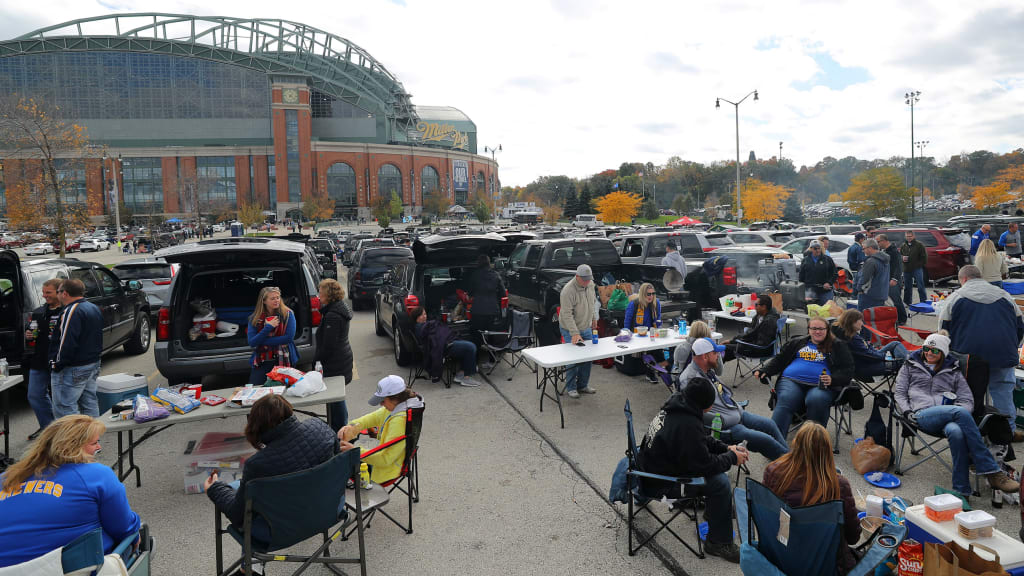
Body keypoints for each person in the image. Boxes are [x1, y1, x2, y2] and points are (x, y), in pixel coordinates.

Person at [0, 415, 141, 567]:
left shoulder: (6, 477)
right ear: (72, 447)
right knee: (139, 539)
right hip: (71, 569)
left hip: (8, 569)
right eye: (94, 443)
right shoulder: (96, 475)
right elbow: (125, 528)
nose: (99, 447)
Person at [635, 377, 747, 563]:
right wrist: (733, 458)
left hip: (654, 466)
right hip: (661, 483)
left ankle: (716, 513)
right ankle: (718, 542)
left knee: (716, 478)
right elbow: (705, 465)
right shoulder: (687, 423)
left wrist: (726, 448)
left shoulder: (678, 405)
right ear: (705, 405)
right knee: (719, 483)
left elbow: (700, 439)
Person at [894, 333, 1020, 497]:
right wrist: (907, 411)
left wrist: (957, 412)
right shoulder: (910, 365)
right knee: (958, 412)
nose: (929, 353)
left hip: (950, 417)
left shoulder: (953, 371)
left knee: (956, 431)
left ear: (943, 353)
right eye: (926, 348)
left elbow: (967, 400)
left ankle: (962, 490)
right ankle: (990, 469)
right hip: (920, 415)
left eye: (935, 350)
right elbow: (900, 393)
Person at [206, 395, 339, 531]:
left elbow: (237, 514)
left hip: (281, 530)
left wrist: (214, 488)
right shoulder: (321, 427)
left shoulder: (257, 464)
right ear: (289, 410)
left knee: (233, 488)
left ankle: (249, 553)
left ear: (256, 426)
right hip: (330, 509)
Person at [939, 265, 1024, 441]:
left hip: (969, 358)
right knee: (1003, 393)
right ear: (980, 277)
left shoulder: (955, 297)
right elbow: (1020, 325)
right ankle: (1007, 432)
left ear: (963, 279)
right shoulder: (1005, 296)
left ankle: (971, 432)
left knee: (968, 396)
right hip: (1003, 354)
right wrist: (1011, 346)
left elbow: (942, 332)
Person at [763, 422, 860, 574]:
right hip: (824, 564)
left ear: (796, 445)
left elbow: (766, 516)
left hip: (782, 553)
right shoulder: (838, 485)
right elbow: (853, 537)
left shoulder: (773, 471)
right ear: (828, 451)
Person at [680, 338, 788, 460]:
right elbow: (695, 413)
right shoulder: (690, 380)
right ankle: (795, 467)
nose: (718, 356)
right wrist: (723, 420)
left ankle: (794, 462)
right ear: (705, 357)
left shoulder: (706, 370)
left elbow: (719, 373)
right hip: (725, 428)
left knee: (770, 425)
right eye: (715, 353)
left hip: (735, 412)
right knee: (766, 440)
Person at [755, 316, 854, 436]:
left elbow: (848, 369)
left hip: (821, 385)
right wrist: (765, 369)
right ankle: (774, 442)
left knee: (817, 399)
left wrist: (833, 379)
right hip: (791, 381)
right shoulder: (797, 342)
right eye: (814, 328)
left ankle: (812, 443)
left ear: (827, 330)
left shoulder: (838, 346)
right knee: (786, 398)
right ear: (809, 330)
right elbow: (780, 359)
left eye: (821, 329)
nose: (817, 331)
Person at [337, 375, 424, 485]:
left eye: (383, 401)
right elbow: (372, 418)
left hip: (386, 469)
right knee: (347, 449)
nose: (381, 404)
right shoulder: (400, 405)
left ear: (395, 398)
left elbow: (385, 459)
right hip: (391, 457)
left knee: (340, 465)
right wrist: (351, 427)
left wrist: (355, 452)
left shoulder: (399, 421)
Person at [49, 279, 103, 418]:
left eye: (58, 292)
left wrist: (57, 363)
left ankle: (72, 439)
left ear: (65, 293)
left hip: (74, 367)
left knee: (64, 406)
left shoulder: (71, 310)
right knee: (89, 403)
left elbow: (67, 340)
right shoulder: (92, 307)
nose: (57, 295)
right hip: (92, 363)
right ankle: (93, 438)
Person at [24, 278, 62, 438]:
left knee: (63, 401)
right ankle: (48, 429)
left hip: (61, 362)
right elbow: (32, 335)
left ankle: (67, 433)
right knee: (34, 395)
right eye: (43, 293)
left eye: (49, 292)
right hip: (39, 361)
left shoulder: (67, 311)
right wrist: (28, 335)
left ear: (60, 292)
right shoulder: (39, 312)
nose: (45, 296)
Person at [315, 279, 353, 432]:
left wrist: (317, 360)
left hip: (335, 363)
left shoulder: (333, 315)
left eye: (321, 293)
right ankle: (340, 428)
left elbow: (328, 346)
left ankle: (341, 431)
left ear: (328, 295)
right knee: (337, 398)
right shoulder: (339, 309)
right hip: (341, 359)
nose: (318, 296)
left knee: (336, 399)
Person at [411, 306, 481, 387]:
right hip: (443, 347)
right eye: (422, 315)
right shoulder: (421, 327)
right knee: (470, 347)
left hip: (444, 343)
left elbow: (438, 334)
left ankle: (461, 374)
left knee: (466, 344)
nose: (425, 316)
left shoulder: (424, 325)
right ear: (417, 317)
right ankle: (466, 377)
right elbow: (434, 339)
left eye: (425, 314)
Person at [558, 264, 599, 398]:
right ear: (577, 277)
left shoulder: (590, 284)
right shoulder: (568, 291)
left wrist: (594, 318)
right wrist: (574, 333)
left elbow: (593, 302)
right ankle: (571, 387)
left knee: (587, 357)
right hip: (569, 327)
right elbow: (566, 314)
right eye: (584, 279)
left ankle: (583, 385)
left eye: (589, 279)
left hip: (585, 326)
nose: (587, 282)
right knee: (573, 358)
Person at [832, 309, 907, 378]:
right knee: (902, 362)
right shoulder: (852, 339)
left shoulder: (846, 333)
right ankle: (911, 366)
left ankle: (909, 358)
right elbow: (868, 355)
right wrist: (887, 357)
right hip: (866, 368)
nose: (862, 323)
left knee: (895, 344)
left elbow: (867, 351)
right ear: (853, 321)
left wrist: (879, 353)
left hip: (866, 361)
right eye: (860, 320)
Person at [246, 286, 298, 385]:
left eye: (278, 297)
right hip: (263, 359)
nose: (276, 300)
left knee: (286, 388)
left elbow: (288, 338)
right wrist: (268, 327)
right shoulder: (254, 318)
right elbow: (252, 342)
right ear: (264, 301)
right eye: (272, 298)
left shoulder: (288, 314)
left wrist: (261, 340)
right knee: (256, 386)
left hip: (285, 357)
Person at [721, 295, 780, 362]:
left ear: (764, 307)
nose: (754, 307)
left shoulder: (768, 321)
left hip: (761, 349)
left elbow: (750, 334)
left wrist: (732, 341)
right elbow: (750, 334)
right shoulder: (763, 315)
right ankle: (717, 365)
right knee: (729, 350)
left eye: (756, 305)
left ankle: (716, 366)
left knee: (725, 348)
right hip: (760, 344)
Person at [468, 254, 506, 347]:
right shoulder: (496, 275)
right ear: (489, 263)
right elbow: (503, 294)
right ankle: (492, 358)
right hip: (493, 310)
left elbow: (470, 292)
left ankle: (475, 358)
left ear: (479, 263)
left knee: (476, 335)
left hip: (478, 310)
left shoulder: (475, 275)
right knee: (491, 334)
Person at [877, 234, 908, 324]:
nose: (877, 243)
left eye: (878, 241)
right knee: (886, 300)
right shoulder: (883, 250)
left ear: (884, 241)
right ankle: (892, 317)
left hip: (893, 280)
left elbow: (898, 266)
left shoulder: (894, 251)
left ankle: (902, 319)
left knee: (896, 300)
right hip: (885, 279)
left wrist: (895, 279)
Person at [798, 240, 837, 305]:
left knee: (826, 311)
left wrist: (829, 283)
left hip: (825, 291)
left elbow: (834, 273)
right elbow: (801, 276)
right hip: (810, 290)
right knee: (812, 311)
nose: (817, 250)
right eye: (815, 248)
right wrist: (802, 288)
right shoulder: (805, 260)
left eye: (819, 248)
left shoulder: (827, 259)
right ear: (811, 249)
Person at [855, 238, 890, 311]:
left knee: (864, 318)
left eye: (863, 248)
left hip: (869, 295)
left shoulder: (871, 261)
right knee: (876, 319)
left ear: (870, 248)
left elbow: (864, 278)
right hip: (881, 294)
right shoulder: (885, 260)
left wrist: (859, 288)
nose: (863, 250)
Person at [900, 230, 929, 305]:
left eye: (910, 236)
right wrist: (902, 258)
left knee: (920, 286)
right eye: (907, 236)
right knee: (907, 287)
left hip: (917, 269)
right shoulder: (903, 245)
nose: (908, 238)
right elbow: (900, 256)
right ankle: (907, 302)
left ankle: (923, 302)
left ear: (914, 236)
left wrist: (917, 264)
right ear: (905, 237)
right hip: (906, 269)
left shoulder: (919, 245)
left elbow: (924, 258)